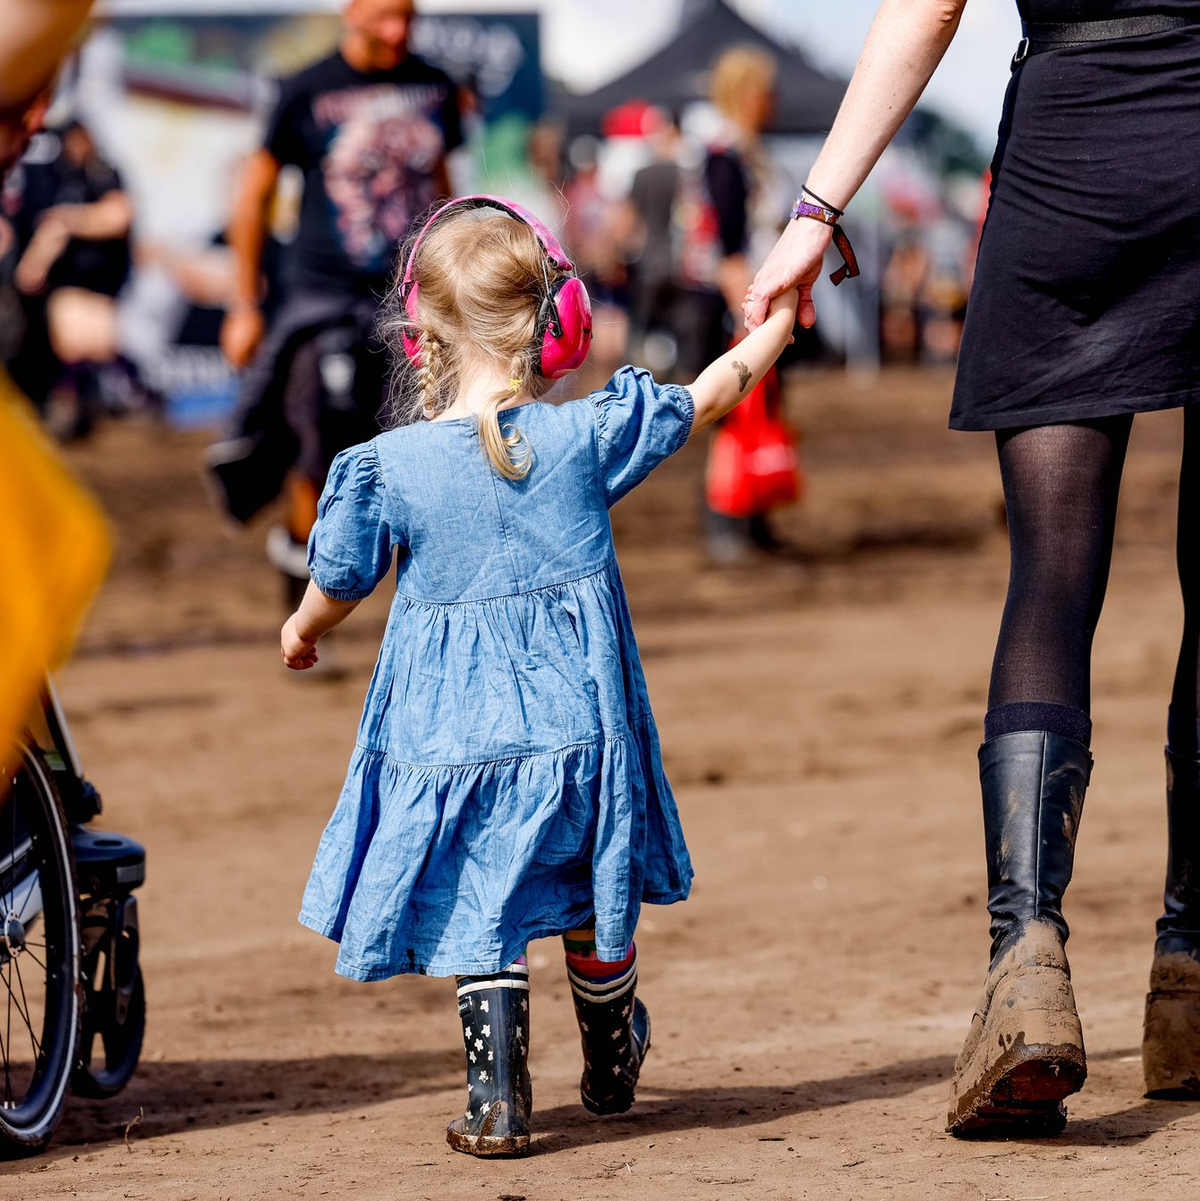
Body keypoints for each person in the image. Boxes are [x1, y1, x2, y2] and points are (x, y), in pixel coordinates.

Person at [745, 0, 1200, 1136]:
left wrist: (815, 210)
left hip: (1072, 156)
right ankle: (1191, 969)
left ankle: (1025, 963)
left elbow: (931, 3)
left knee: (1050, 573)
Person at [280, 195, 798, 1155]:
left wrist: (302, 629)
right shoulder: (586, 434)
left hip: (456, 737)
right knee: (589, 887)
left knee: (487, 903)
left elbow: (339, 578)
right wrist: (776, 321)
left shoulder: (392, 465)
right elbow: (714, 392)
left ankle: (496, 1097)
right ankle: (609, 1049)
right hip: (580, 726)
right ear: (554, 327)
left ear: (418, 328)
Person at [208, 0, 461, 601]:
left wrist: (457, 273)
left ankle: (419, 604)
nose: (398, 31)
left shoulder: (436, 86)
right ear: (350, 11)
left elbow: (443, 185)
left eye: (408, 16)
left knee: (424, 444)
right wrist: (245, 305)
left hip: (406, 300)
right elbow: (254, 197)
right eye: (383, 16)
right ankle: (301, 602)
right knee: (316, 448)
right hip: (320, 299)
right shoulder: (305, 90)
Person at [696, 46, 796, 563]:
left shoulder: (751, 154)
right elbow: (728, 248)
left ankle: (754, 516)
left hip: (761, 303)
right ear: (743, 94)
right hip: (736, 306)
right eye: (765, 90)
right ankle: (725, 521)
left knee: (763, 406)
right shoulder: (724, 156)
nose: (773, 101)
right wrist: (750, 320)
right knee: (732, 410)